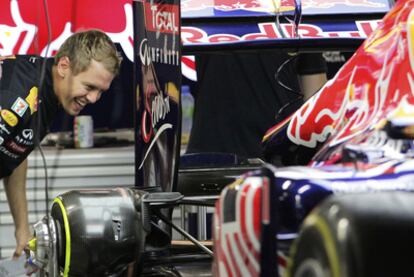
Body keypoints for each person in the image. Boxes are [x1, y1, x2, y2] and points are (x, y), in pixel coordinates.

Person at [0, 29, 121, 258]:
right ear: (64, 66)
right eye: (89, 87)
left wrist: (22, 229)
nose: (94, 99)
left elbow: (14, 152)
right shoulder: (14, 98)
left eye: (100, 92)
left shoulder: (48, 86)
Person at [186, 51, 327, 159]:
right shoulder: (296, 16)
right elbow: (317, 101)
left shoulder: (298, 16)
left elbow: (317, 100)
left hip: (274, 153)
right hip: (276, 153)